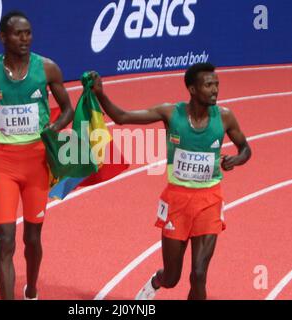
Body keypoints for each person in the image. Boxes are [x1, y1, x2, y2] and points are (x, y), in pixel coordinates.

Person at [91, 63, 251, 300]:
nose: (215, 90)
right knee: (172, 277)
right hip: (177, 201)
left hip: (209, 200)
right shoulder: (170, 113)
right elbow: (122, 117)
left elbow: (246, 148)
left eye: (216, 84)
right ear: (192, 89)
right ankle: (157, 281)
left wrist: (236, 159)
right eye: (208, 85)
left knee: (198, 275)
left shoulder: (225, 117)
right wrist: (100, 94)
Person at [0, 11, 74, 300]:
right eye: (17, 33)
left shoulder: (47, 68)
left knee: (32, 239)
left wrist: (56, 127)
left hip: (37, 162)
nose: (24, 38)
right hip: (3, 162)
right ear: (3, 37)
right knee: (5, 240)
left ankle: (32, 289)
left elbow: (67, 108)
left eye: (28, 33)